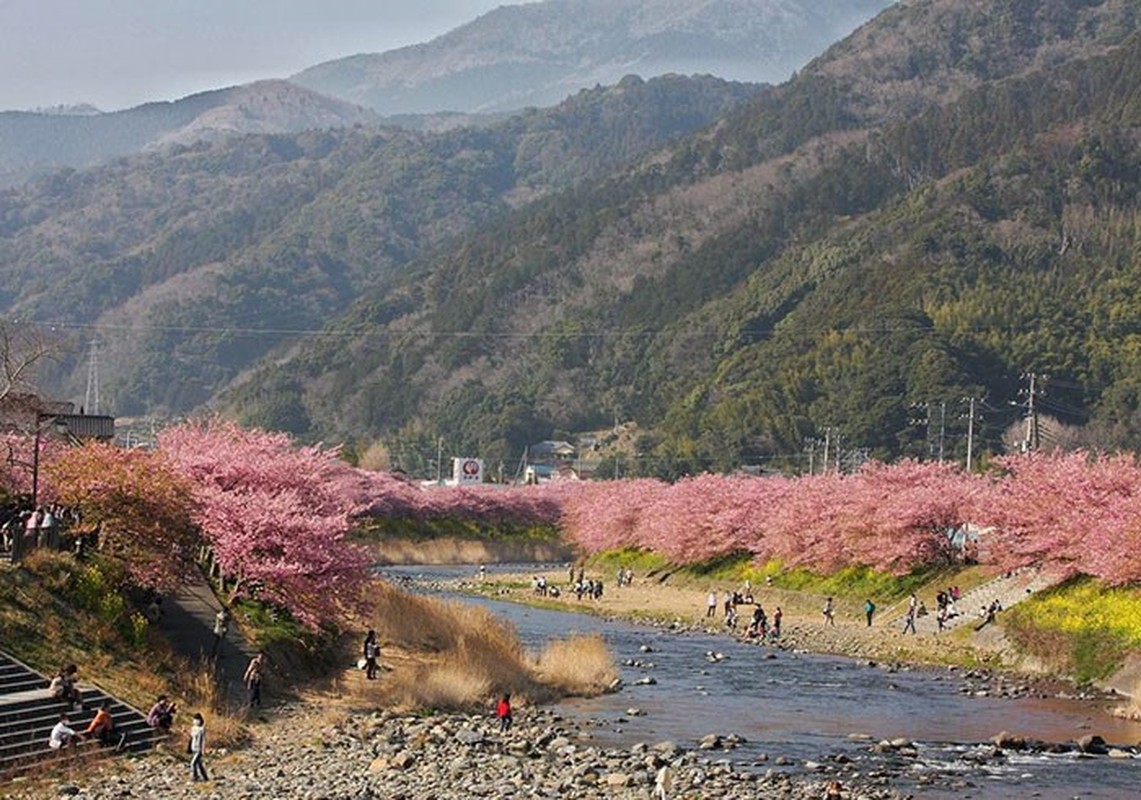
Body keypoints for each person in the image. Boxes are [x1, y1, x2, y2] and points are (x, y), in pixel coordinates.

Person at [189, 712, 208, 782]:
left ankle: (195, 777)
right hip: (193, 747)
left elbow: (203, 740)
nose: (195, 721)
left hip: (199, 749)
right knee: (199, 764)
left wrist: (203, 749)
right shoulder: (193, 728)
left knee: (193, 763)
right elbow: (191, 737)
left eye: (197, 719)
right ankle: (205, 777)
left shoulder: (202, 729)